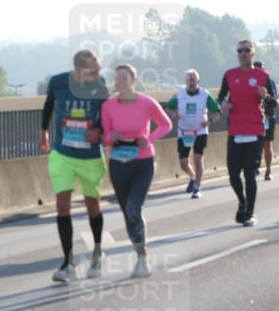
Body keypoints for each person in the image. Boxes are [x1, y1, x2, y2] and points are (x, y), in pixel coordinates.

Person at [39, 50, 108, 282]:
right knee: (62, 205)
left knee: (92, 205)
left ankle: (97, 252)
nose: (97, 74)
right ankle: (67, 262)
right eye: (92, 71)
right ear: (78, 70)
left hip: (90, 156)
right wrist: (44, 132)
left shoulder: (100, 85)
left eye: (98, 70)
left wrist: (100, 130)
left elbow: (107, 114)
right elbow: (49, 104)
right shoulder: (58, 82)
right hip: (62, 153)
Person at [101, 65, 172, 277]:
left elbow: (166, 125)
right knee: (127, 213)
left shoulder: (147, 103)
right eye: (117, 78)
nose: (119, 82)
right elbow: (104, 136)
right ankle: (139, 251)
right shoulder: (108, 106)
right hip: (118, 163)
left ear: (133, 80)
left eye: (124, 78)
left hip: (143, 163)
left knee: (134, 208)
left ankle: (142, 259)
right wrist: (111, 137)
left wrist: (148, 139)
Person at [217, 40, 270, 226]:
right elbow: (221, 97)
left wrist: (266, 97)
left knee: (249, 174)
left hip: (255, 130)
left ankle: (250, 213)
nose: (243, 53)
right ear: (237, 54)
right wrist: (224, 103)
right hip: (236, 131)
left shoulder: (263, 76)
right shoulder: (230, 75)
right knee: (233, 174)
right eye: (240, 51)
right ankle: (242, 201)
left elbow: (275, 102)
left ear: (253, 53)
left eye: (247, 50)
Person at [162, 69, 221, 199]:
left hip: (200, 131)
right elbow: (167, 108)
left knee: (198, 160)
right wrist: (173, 114)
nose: (190, 82)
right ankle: (193, 176)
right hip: (184, 132)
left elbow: (217, 112)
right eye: (188, 80)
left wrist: (209, 121)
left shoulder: (205, 94)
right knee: (183, 163)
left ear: (198, 81)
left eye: (193, 79)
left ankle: (197, 188)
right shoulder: (179, 94)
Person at [254, 61, 279, 180]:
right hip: (253, 118)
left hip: (268, 117)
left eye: (261, 69)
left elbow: (276, 101)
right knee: (254, 144)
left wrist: (266, 97)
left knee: (267, 144)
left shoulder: (270, 82)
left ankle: (268, 170)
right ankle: (255, 167)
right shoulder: (250, 83)